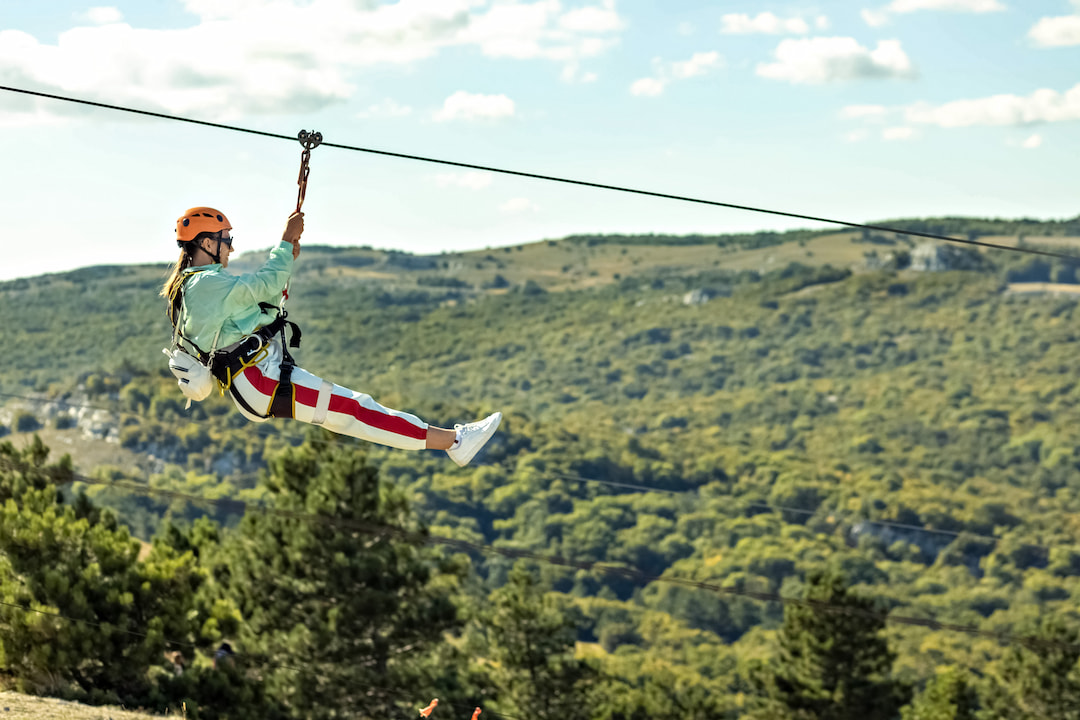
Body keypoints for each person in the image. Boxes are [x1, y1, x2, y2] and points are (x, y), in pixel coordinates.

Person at [160, 207, 501, 466]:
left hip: (260, 378)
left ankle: (452, 441)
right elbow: (264, 284)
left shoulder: (197, 286)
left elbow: (252, 309)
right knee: (355, 411)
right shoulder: (207, 285)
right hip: (260, 382)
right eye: (226, 240)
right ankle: (455, 443)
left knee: (354, 410)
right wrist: (284, 242)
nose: (231, 248)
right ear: (207, 242)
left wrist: (284, 265)